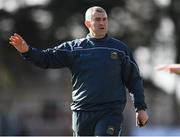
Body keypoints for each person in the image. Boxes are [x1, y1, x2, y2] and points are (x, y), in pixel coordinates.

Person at [9, 6, 148, 136]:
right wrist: (26, 51)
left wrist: (140, 108)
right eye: (97, 19)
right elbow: (46, 58)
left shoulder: (120, 49)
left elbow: (134, 80)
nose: (102, 23)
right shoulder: (74, 48)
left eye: (104, 19)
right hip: (82, 112)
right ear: (88, 23)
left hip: (110, 112)